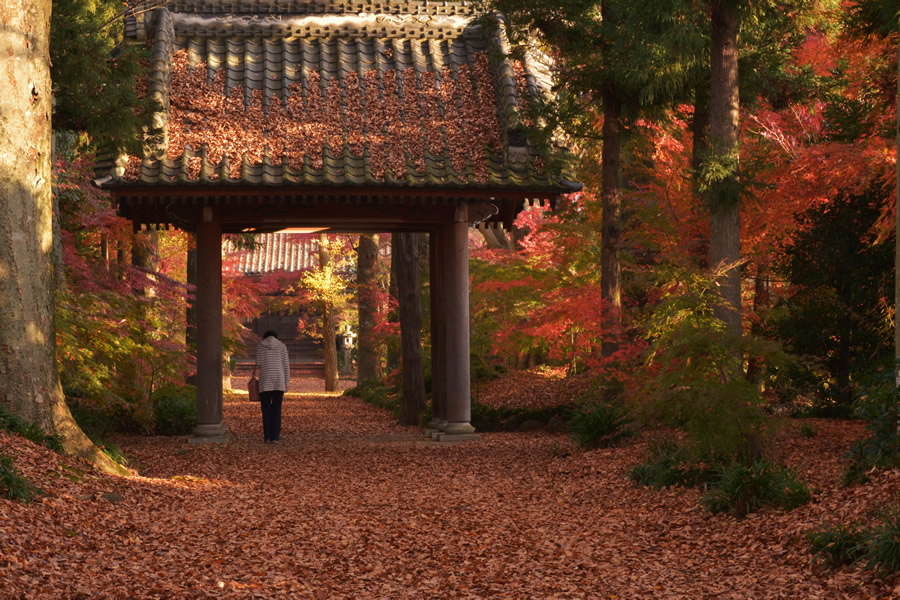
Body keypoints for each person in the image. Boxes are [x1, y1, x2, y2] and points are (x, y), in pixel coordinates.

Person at [255, 330, 290, 443]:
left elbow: (259, 363)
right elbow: (286, 366)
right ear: (276, 337)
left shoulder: (260, 346)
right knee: (277, 409)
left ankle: (267, 437)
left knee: (266, 409)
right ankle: (275, 437)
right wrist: (286, 383)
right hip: (279, 381)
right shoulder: (282, 346)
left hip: (265, 380)